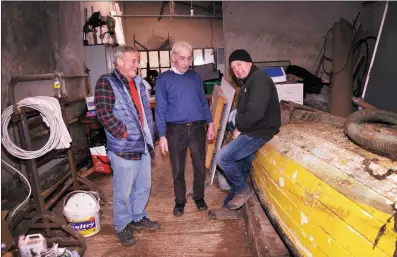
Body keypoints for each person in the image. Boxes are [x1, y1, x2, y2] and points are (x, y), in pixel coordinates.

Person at [94, 45, 160, 246]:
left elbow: (144, 112)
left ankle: (138, 216)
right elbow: (103, 112)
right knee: (123, 190)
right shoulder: (107, 82)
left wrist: (151, 135)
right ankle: (122, 225)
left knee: (143, 185)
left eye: (137, 61)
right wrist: (122, 132)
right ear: (119, 62)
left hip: (142, 145)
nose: (137, 65)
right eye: (133, 61)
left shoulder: (138, 83)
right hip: (123, 147)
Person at [209, 49, 281, 219]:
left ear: (249, 62)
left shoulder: (259, 79)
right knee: (239, 170)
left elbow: (255, 113)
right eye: (233, 68)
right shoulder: (249, 82)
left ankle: (243, 190)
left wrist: (239, 126)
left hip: (259, 132)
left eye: (239, 64)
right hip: (253, 129)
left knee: (223, 157)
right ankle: (230, 208)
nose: (237, 69)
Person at [155, 41, 215, 217]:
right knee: (178, 167)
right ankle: (180, 201)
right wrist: (162, 135)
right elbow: (160, 109)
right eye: (182, 58)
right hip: (175, 130)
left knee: (199, 165)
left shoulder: (195, 77)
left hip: (197, 128)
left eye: (189, 58)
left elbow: (203, 101)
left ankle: (199, 197)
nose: (186, 62)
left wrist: (210, 123)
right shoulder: (163, 79)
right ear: (173, 57)